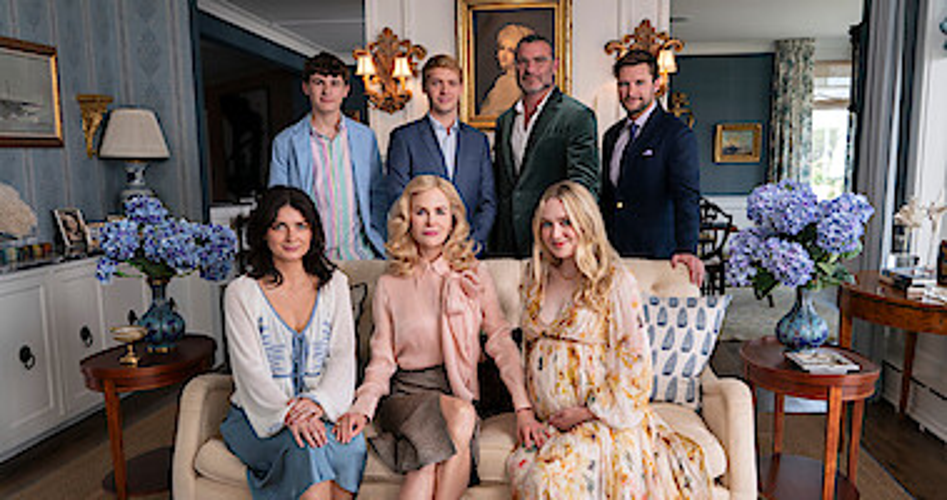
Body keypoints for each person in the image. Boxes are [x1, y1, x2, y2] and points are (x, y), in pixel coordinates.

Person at [335, 175, 544, 499]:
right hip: (407, 394)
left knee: (427, 463)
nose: (431, 221)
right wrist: (363, 407)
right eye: (421, 212)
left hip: (458, 388)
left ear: (453, 218)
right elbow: (382, 359)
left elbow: (501, 342)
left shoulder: (474, 273)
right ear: (408, 219)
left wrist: (523, 407)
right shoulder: (390, 282)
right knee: (461, 416)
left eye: (440, 211)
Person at [507, 180, 713, 498]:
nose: (555, 234)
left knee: (548, 480)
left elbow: (635, 364)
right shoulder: (536, 278)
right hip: (551, 424)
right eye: (547, 224)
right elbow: (527, 353)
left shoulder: (613, 281)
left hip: (603, 420)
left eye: (566, 222)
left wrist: (588, 412)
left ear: (586, 223)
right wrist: (528, 412)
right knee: (524, 470)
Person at [220, 186, 366, 499]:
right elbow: (249, 371)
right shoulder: (241, 293)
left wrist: (318, 404)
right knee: (307, 448)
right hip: (259, 416)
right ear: (264, 233)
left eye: (301, 226)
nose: (291, 237)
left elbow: (343, 355)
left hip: (321, 410)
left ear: (313, 232)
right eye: (279, 226)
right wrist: (289, 415)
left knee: (350, 446)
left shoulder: (335, 285)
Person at [601, 49, 704, 285]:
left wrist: (687, 249)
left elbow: (687, 197)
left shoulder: (676, 134)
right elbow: (608, 197)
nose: (631, 92)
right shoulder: (611, 136)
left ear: (656, 85)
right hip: (613, 255)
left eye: (639, 83)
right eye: (624, 84)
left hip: (658, 257)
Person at [269, 52, 386, 259]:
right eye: (318, 82)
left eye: (335, 83)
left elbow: (378, 194)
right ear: (306, 88)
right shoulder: (285, 142)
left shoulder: (365, 137)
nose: (327, 90)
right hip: (312, 258)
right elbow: (277, 204)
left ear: (346, 90)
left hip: (363, 255)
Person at [491, 34, 600, 258]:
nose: (530, 69)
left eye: (539, 61)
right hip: (507, 244)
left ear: (555, 65)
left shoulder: (577, 116)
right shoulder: (505, 121)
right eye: (523, 62)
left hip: (554, 241)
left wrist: (567, 234)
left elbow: (583, 185)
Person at [386, 54, 496, 251]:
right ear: (424, 88)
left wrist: (469, 245)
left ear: (461, 88)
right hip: (421, 250)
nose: (445, 90)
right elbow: (398, 198)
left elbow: (488, 202)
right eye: (436, 83)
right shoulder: (404, 138)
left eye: (451, 83)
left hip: (468, 251)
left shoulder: (478, 141)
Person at [479, 23, 534, 116]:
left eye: (511, 50)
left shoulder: (513, 84)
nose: (504, 55)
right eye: (502, 48)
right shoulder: (503, 81)